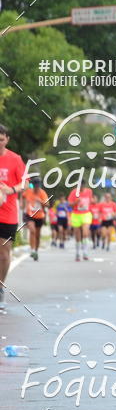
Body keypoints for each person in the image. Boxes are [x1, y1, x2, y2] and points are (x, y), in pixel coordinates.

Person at [0, 124, 26, 306]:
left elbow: (25, 183)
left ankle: (0, 287)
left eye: (1, 139)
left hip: (8, 214)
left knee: (4, 254)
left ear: (7, 139)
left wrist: (10, 190)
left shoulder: (15, 159)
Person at [22, 178, 49, 261]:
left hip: (39, 216)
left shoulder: (42, 193)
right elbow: (22, 196)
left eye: (38, 186)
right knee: (32, 231)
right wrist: (22, 205)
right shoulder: (28, 192)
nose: (37, 188)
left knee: (37, 235)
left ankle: (36, 251)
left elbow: (47, 204)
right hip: (30, 215)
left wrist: (40, 201)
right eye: (36, 186)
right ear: (33, 186)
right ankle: (32, 250)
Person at [67, 184, 94, 261]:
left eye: (82, 187)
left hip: (86, 214)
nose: (81, 189)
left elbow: (91, 201)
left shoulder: (89, 191)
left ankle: (85, 252)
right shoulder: (73, 192)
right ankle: (78, 253)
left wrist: (93, 201)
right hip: (76, 214)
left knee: (85, 233)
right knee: (77, 235)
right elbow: (69, 204)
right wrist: (75, 202)